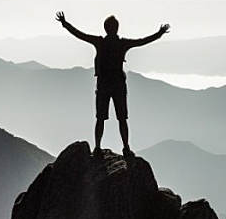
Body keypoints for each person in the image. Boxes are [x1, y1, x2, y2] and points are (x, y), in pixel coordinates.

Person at [56, 11, 170, 156]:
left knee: (100, 118)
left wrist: (65, 24)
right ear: (116, 28)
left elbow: (80, 35)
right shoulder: (122, 44)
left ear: (105, 28)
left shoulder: (100, 42)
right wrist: (159, 33)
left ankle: (97, 147)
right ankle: (126, 148)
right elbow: (142, 41)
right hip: (118, 85)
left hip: (103, 84)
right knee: (122, 118)